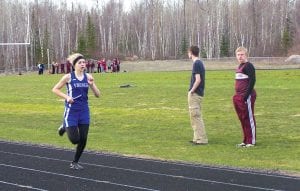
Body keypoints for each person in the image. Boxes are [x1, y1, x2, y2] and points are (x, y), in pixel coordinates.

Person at [52, 53, 100, 170]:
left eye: (84, 62)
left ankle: (75, 162)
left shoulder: (88, 76)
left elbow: (98, 95)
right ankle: (64, 126)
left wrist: (92, 85)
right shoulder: (68, 77)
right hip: (71, 111)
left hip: (84, 111)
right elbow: (55, 89)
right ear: (75, 65)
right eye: (80, 63)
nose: (83, 64)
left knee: (83, 139)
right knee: (75, 140)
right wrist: (67, 97)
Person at [233, 47, 257, 148]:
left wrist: (246, 96)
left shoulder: (249, 66)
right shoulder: (239, 66)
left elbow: (252, 81)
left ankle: (251, 141)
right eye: (238, 55)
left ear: (246, 55)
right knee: (242, 118)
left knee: (248, 118)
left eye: (242, 54)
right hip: (239, 96)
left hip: (247, 96)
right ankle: (245, 140)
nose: (240, 57)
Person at [187, 45, 208, 145]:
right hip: (198, 94)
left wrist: (191, 91)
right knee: (194, 116)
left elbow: (198, 80)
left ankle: (201, 139)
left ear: (191, 52)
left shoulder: (196, 63)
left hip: (195, 94)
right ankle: (196, 138)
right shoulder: (199, 63)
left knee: (195, 116)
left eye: (188, 52)